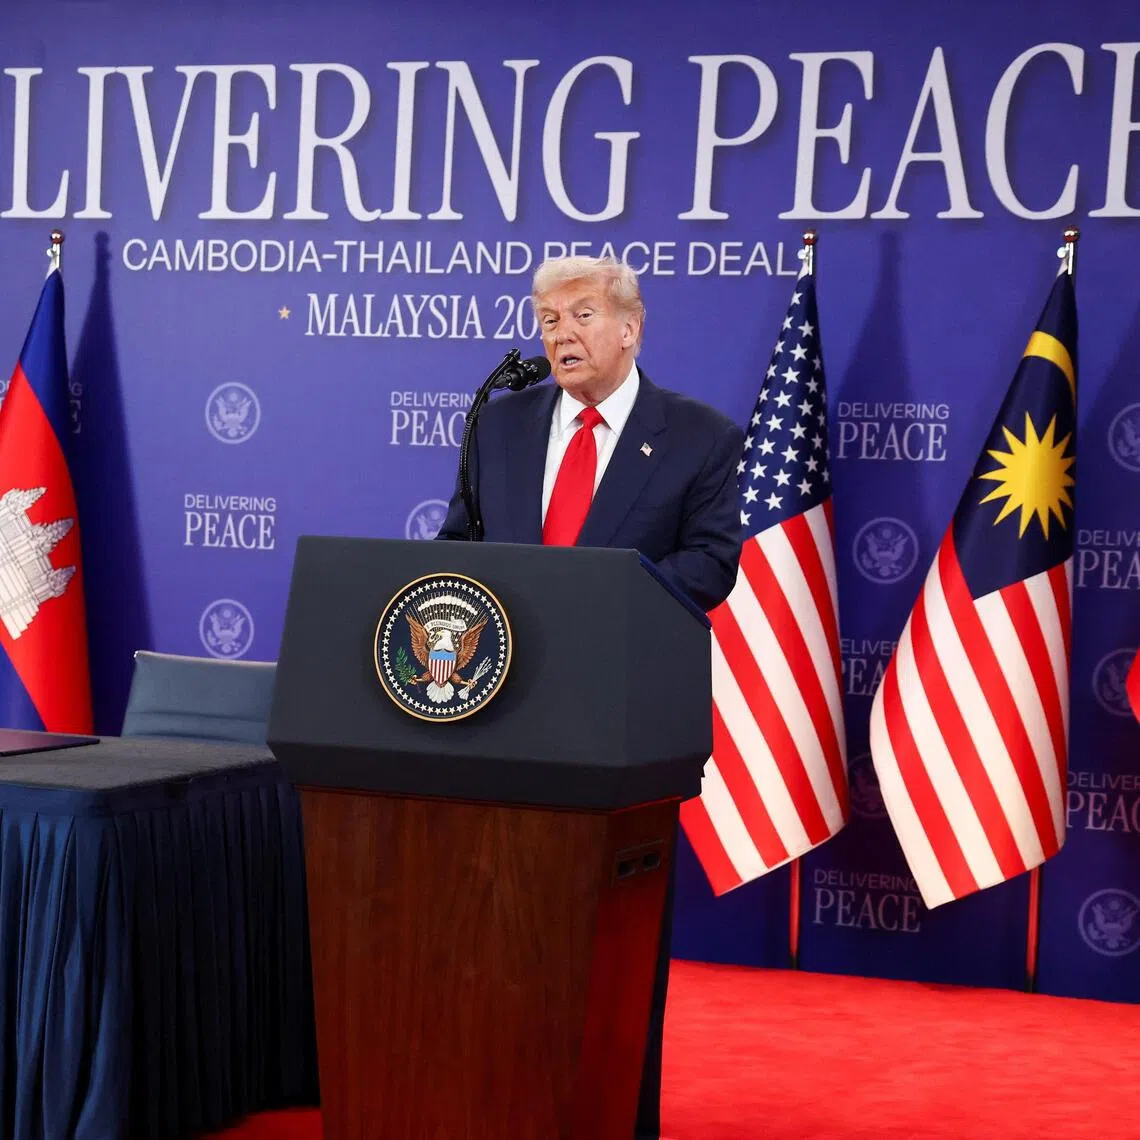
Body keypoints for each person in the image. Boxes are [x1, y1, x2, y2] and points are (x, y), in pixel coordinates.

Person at [437, 254, 744, 1139]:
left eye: (577, 315)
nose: (559, 334)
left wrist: (602, 597)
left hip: (612, 725)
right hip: (494, 717)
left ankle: (606, 1113)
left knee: (594, 942)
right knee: (488, 930)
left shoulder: (699, 437)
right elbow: (463, 541)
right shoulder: (499, 423)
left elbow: (711, 564)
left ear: (628, 327)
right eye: (545, 319)